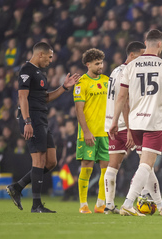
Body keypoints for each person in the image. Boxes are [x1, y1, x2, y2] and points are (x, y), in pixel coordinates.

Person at [110, 29, 162, 216]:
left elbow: (121, 97)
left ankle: (159, 205)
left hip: (134, 123)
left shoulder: (130, 67)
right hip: (153, 123)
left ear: (146, 42)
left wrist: (115, 121)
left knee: (146, 166)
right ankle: (128, 203)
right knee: (147, 165)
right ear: (160, 44)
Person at [6, 42, 80, 213]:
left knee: (51, 161)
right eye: (50, 56)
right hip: (32, 119)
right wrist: (27, 122)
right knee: (38, 160)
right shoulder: (27, 70)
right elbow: (22, 98)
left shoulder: (41, 73)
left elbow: (45, 98)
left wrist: (63, 88)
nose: (51, 60)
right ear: (40, 54)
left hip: (42, 118)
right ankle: (36, 205)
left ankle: (18, 187)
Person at [104, 41, 145, 214]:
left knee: (113, 165)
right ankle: (149, 199)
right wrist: (129, 129)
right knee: (147, 161)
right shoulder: (129, 72)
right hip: (126, 125)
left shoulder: (115, 71)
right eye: (142, 56)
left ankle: (108, 205)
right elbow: (126, 102)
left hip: (111, 123)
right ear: (133, 55)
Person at [73, 48, 109, 214]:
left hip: (105, 132)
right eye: (97, 63)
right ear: (88, 64)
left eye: (101, 63)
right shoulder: (82, 83)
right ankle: (83, 204)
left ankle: (100, 204)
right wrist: (86, 132)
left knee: (107, 169)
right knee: (86, 167)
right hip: (89, 133)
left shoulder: (108, 81)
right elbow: (79, 110)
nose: (100, 66)